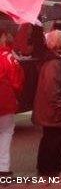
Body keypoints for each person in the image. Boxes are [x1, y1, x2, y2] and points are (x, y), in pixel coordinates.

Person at [33, 30, 61, 177]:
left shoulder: (56, 59)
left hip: (55, 107)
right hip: (54, 109)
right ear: (60, 44)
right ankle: (46, 167)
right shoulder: (54, 63)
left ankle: (55, 163)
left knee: (58, 137)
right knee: (52, 138)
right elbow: (54, 90)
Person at [0, 29, 23, 177]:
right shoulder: (10, 58)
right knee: (6, 132)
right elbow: (17, 83)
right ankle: (3, 167)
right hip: (5, 100)